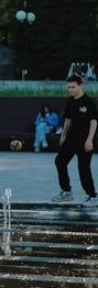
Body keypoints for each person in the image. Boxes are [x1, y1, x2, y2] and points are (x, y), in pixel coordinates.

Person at [52, 74, 97, 204]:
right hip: (71, 138)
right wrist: (63, 135)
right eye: (69, 87)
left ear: (80, 86)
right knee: (60, 161)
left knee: (83, 168)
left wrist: (90, 140)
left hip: (84, 140)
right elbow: (68, 119)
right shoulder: (70, 101)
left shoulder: (88, 102)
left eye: (73, 87)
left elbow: (93, 122)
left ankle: (92, 196)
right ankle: (66, 192)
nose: (71, 90)